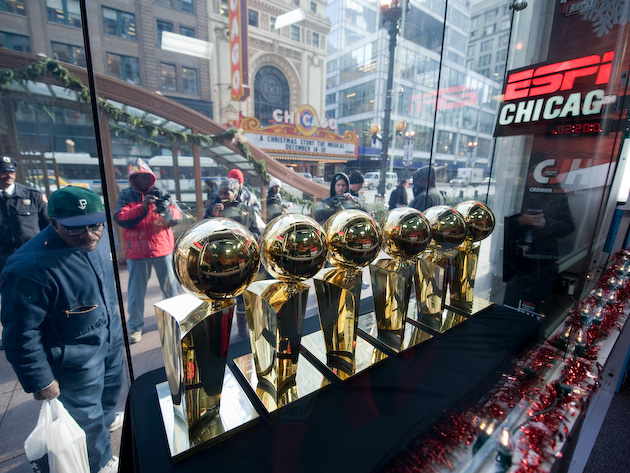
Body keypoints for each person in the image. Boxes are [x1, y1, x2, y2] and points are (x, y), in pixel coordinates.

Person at [1, 187, 124, 473]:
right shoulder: (27, 268)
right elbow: (20, 333)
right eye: (76, 229)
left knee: (109, 391)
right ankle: (100, 462)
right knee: (84, 416)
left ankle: (105, 420)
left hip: (108, 335)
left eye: (95, 225)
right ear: (53, 222)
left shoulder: (99, 241)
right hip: (72, 355)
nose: (89, 235)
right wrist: (40, 380)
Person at [113, 158, 182, 344]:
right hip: (137, 252)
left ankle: (173, 322)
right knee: (136, 294)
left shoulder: (162, 193)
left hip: (162, 249)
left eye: (145, 177)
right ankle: (135, 327)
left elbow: (177, 216)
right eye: (139, 177)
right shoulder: (126, 196)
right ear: (133, 179)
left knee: (170, 290)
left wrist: (167, 209)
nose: (143, 180)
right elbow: (121, 217)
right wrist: (142, 208)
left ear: (150, 177)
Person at [205, 178, 265, 337]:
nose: (223, 195)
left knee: (242, 296)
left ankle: (242, 329)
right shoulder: (213, 209)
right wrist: (211, 215)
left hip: (241, 260)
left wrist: (245, 240)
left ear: (236, 193)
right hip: (219, 262)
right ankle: (221, 331)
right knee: (220, 296)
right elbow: (205, 229)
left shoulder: (247, 210)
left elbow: (256, 232)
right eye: (221, 191)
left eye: (227, 192)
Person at [0, 156, 49, 273]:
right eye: (3, 172)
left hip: (32, 257)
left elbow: (48, 226)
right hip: (3, 262)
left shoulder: (33, 196)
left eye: (11, 172)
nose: (8, 176)